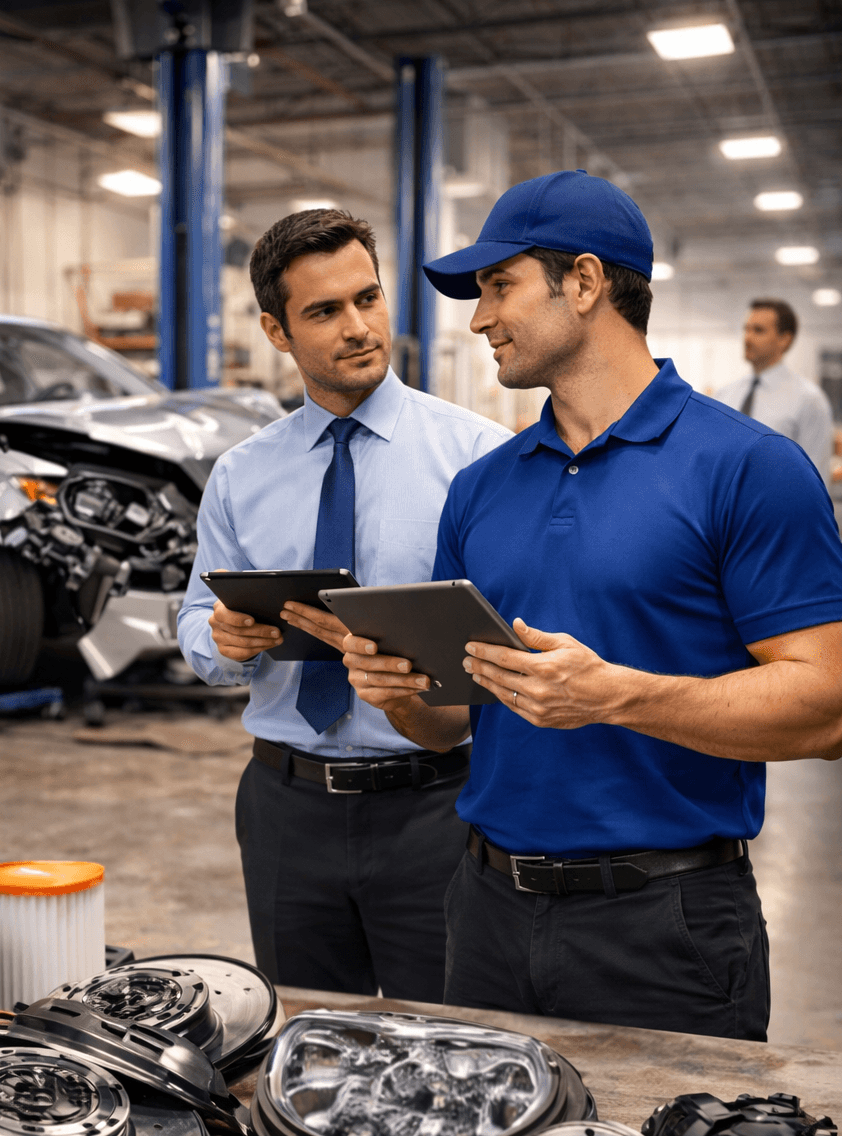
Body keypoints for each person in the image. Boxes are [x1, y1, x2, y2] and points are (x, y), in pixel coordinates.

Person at [340, 170, 842, 1041]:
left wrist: (618, 696)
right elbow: (452, 721)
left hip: (665, 923)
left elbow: (828, 704)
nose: (477, 317)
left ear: (583, 281)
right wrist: (399, 694)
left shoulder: (747, 468)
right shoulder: (480, 489)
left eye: (499, 286)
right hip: (487, 912)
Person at [177, 208, 510, 1001]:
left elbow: (508, 641)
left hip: (435, 803)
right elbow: (194, 618)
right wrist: (223, 637)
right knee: (305, 1040)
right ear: (276, 329)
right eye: (324, 311)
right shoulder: (241, 475)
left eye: (368, 298)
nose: (358, 327)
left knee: (446, 1048)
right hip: (287, 809)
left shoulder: (476, 458)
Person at [717, 299, 834, 487]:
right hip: (725, 511)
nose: (747, 338)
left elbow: (817, 479)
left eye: (758, 330)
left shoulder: (809, 400)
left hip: (777, 512)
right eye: (746, 329)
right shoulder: (725, 395)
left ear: (784, 339)